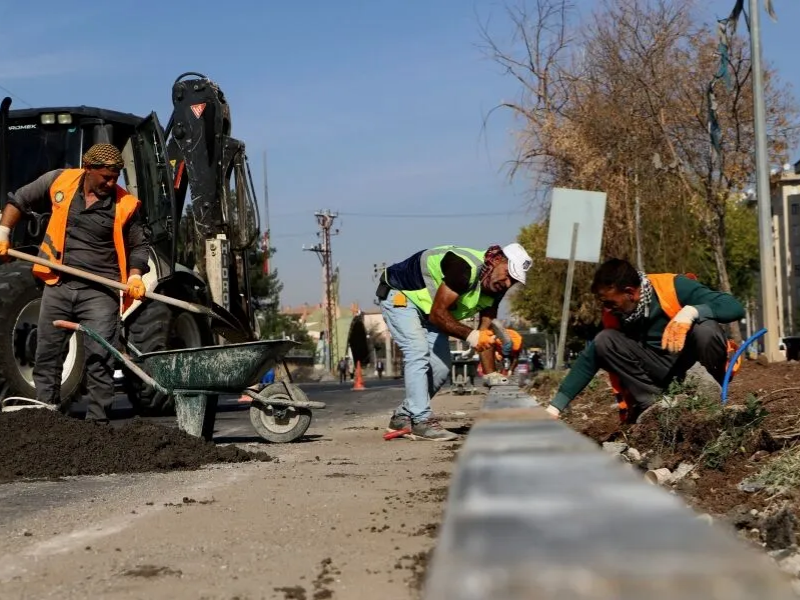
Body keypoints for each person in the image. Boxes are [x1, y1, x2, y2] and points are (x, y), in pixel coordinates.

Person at [0, 143, 150, 423]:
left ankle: (97, 426)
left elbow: (139, 246)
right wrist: (3, 233)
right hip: (59, 284)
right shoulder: (60, 181)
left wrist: (135, 275)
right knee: (47, 356)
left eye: (115, 178)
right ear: (88, 169)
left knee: (99, 361)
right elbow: (19, 199)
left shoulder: (125, 204)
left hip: (100, 291)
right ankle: (47, 417)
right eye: (106, 177)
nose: (111, 183)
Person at [545, 258, 745, 423]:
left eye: (610, 302)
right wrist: (555, 408)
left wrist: (692, 311)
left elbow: (733, 306)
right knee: (604, 340)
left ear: (630, 293)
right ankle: (655, 408)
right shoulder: (615, 314)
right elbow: (590, 358)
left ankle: (713, 392)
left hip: (694, 362)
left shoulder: (673, 286)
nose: (607, 308)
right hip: (661, 370)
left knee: (705, 327)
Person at [377, 243, 533, 441]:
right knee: (417, 351)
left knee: (441, 369)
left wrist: (491, 374)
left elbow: (484, 333)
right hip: (401, 294)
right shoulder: (464, 268)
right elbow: (439, 315)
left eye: (514, 281)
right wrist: (471, 336)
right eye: (508, 275)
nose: (508, 283)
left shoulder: (496, 288)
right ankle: (421, 421)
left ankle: (402, 416)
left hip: (430, 311)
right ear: (496, 260)